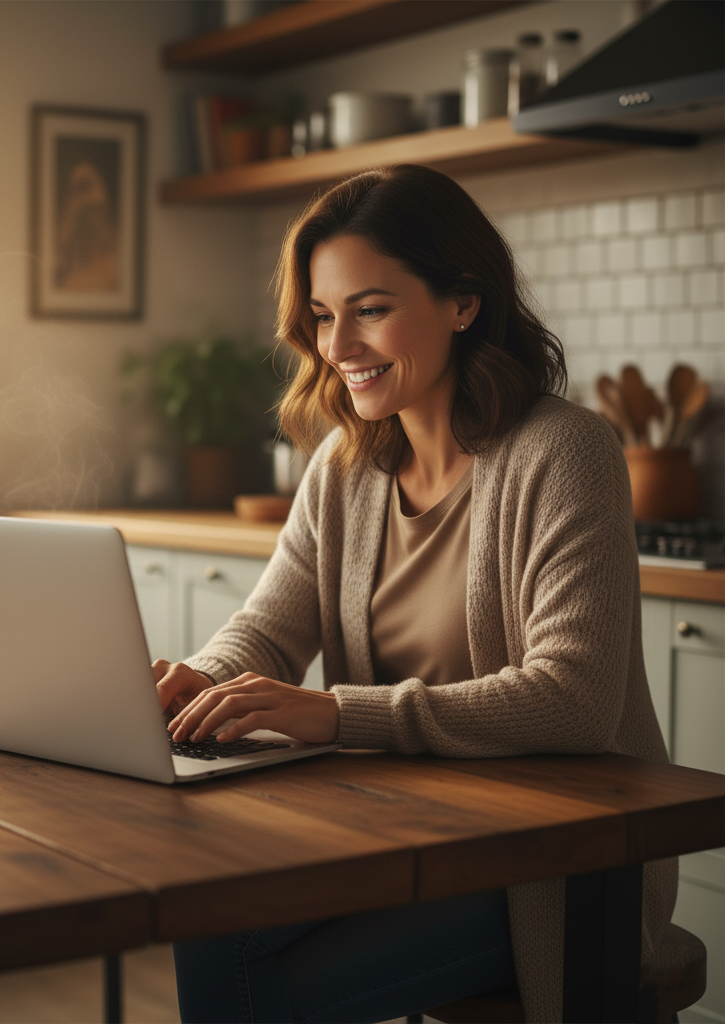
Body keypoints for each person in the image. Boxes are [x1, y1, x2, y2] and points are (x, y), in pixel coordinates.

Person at [152, 164, 676, 1024]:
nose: (339, 346)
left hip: (547, 869)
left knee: (246, 967)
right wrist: (203, 681)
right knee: (212, 917)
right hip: (402, 836)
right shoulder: (346, 466)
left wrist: (334, 713)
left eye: (371, 309)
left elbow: (575, 700)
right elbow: (268, 631)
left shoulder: (566, 454)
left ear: (463, 302)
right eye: (323, 315)